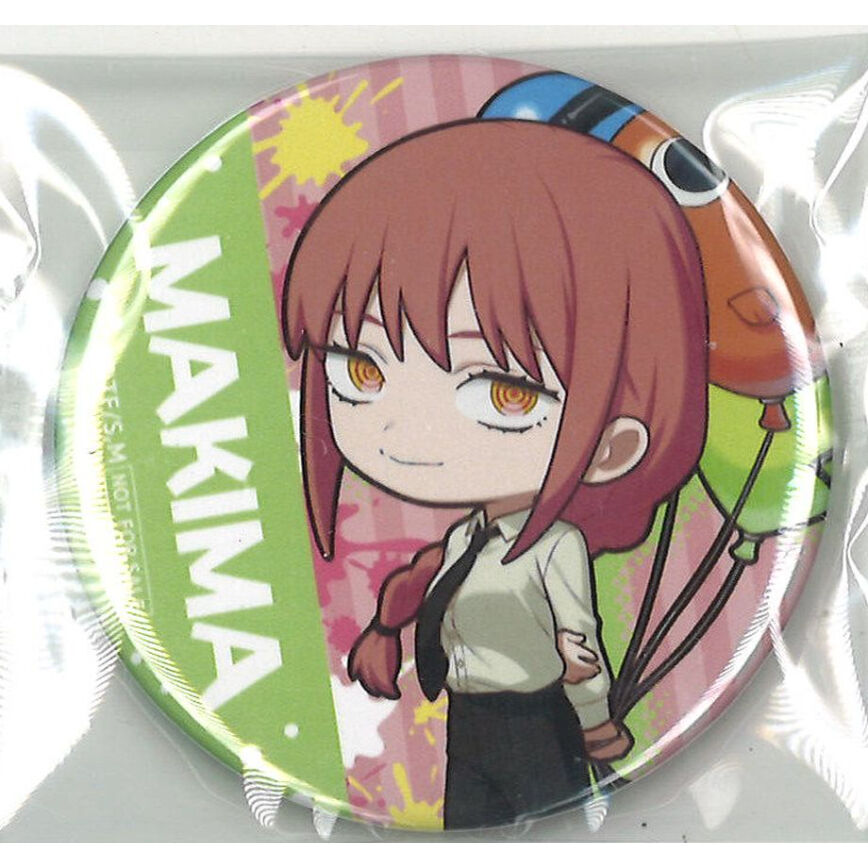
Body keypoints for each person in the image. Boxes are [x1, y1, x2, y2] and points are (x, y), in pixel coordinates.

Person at [282, 120, 708, 829]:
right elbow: (436, 593)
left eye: (505, 392)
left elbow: (578, 646)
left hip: (536, 722)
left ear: (611, 446)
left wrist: (597, 726)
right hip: (469, 720)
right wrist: (387, 631)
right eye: (362, 371)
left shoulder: (555, 547)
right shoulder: (463, 540)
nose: (402, 432)